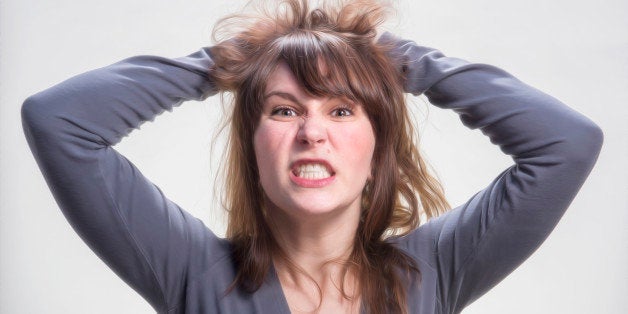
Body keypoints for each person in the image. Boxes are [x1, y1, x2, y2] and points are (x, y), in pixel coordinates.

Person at [20, 0, 603, 313]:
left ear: (378, 152)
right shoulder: (191, 272)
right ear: (253, 147)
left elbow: (566, 144)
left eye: (343, 110)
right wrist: (235, 60)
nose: (312, 132)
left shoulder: (432, 274)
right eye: (282, 110)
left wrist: (399, 61)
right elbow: (59, 122)